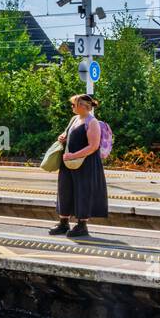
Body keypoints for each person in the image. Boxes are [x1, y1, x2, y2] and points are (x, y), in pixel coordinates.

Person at [50, 93, 109, 238]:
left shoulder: (92, 122)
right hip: (68, 161)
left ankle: (82, 225)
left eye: (73, 104)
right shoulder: (74, 119)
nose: (71, 107)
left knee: (83, 192)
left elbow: (93, 146)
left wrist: (73, 156)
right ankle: (63, 223)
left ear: (82, 106)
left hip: (86, 163)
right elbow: (67, 133)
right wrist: (62, 137)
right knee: (65, 190)